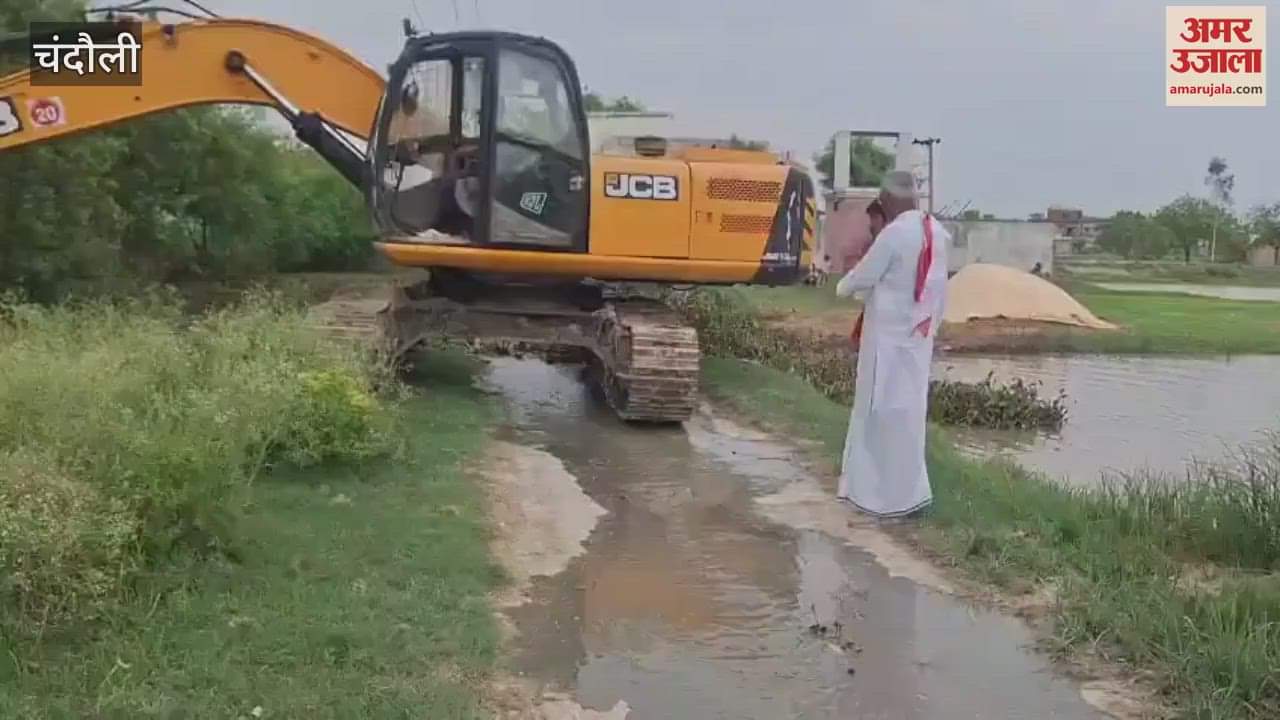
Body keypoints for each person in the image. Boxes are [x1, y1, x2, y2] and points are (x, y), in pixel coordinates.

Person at [834, 171, 949, 518]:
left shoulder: (894, 235)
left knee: (875, 413)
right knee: (909, 415)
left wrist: (844, 286)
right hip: (917, 343)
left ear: (885, 203)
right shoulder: (940, 234)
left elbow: (860, 278)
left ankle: (872, 496)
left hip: (884, 346)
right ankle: (910, 495)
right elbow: (940, 295)